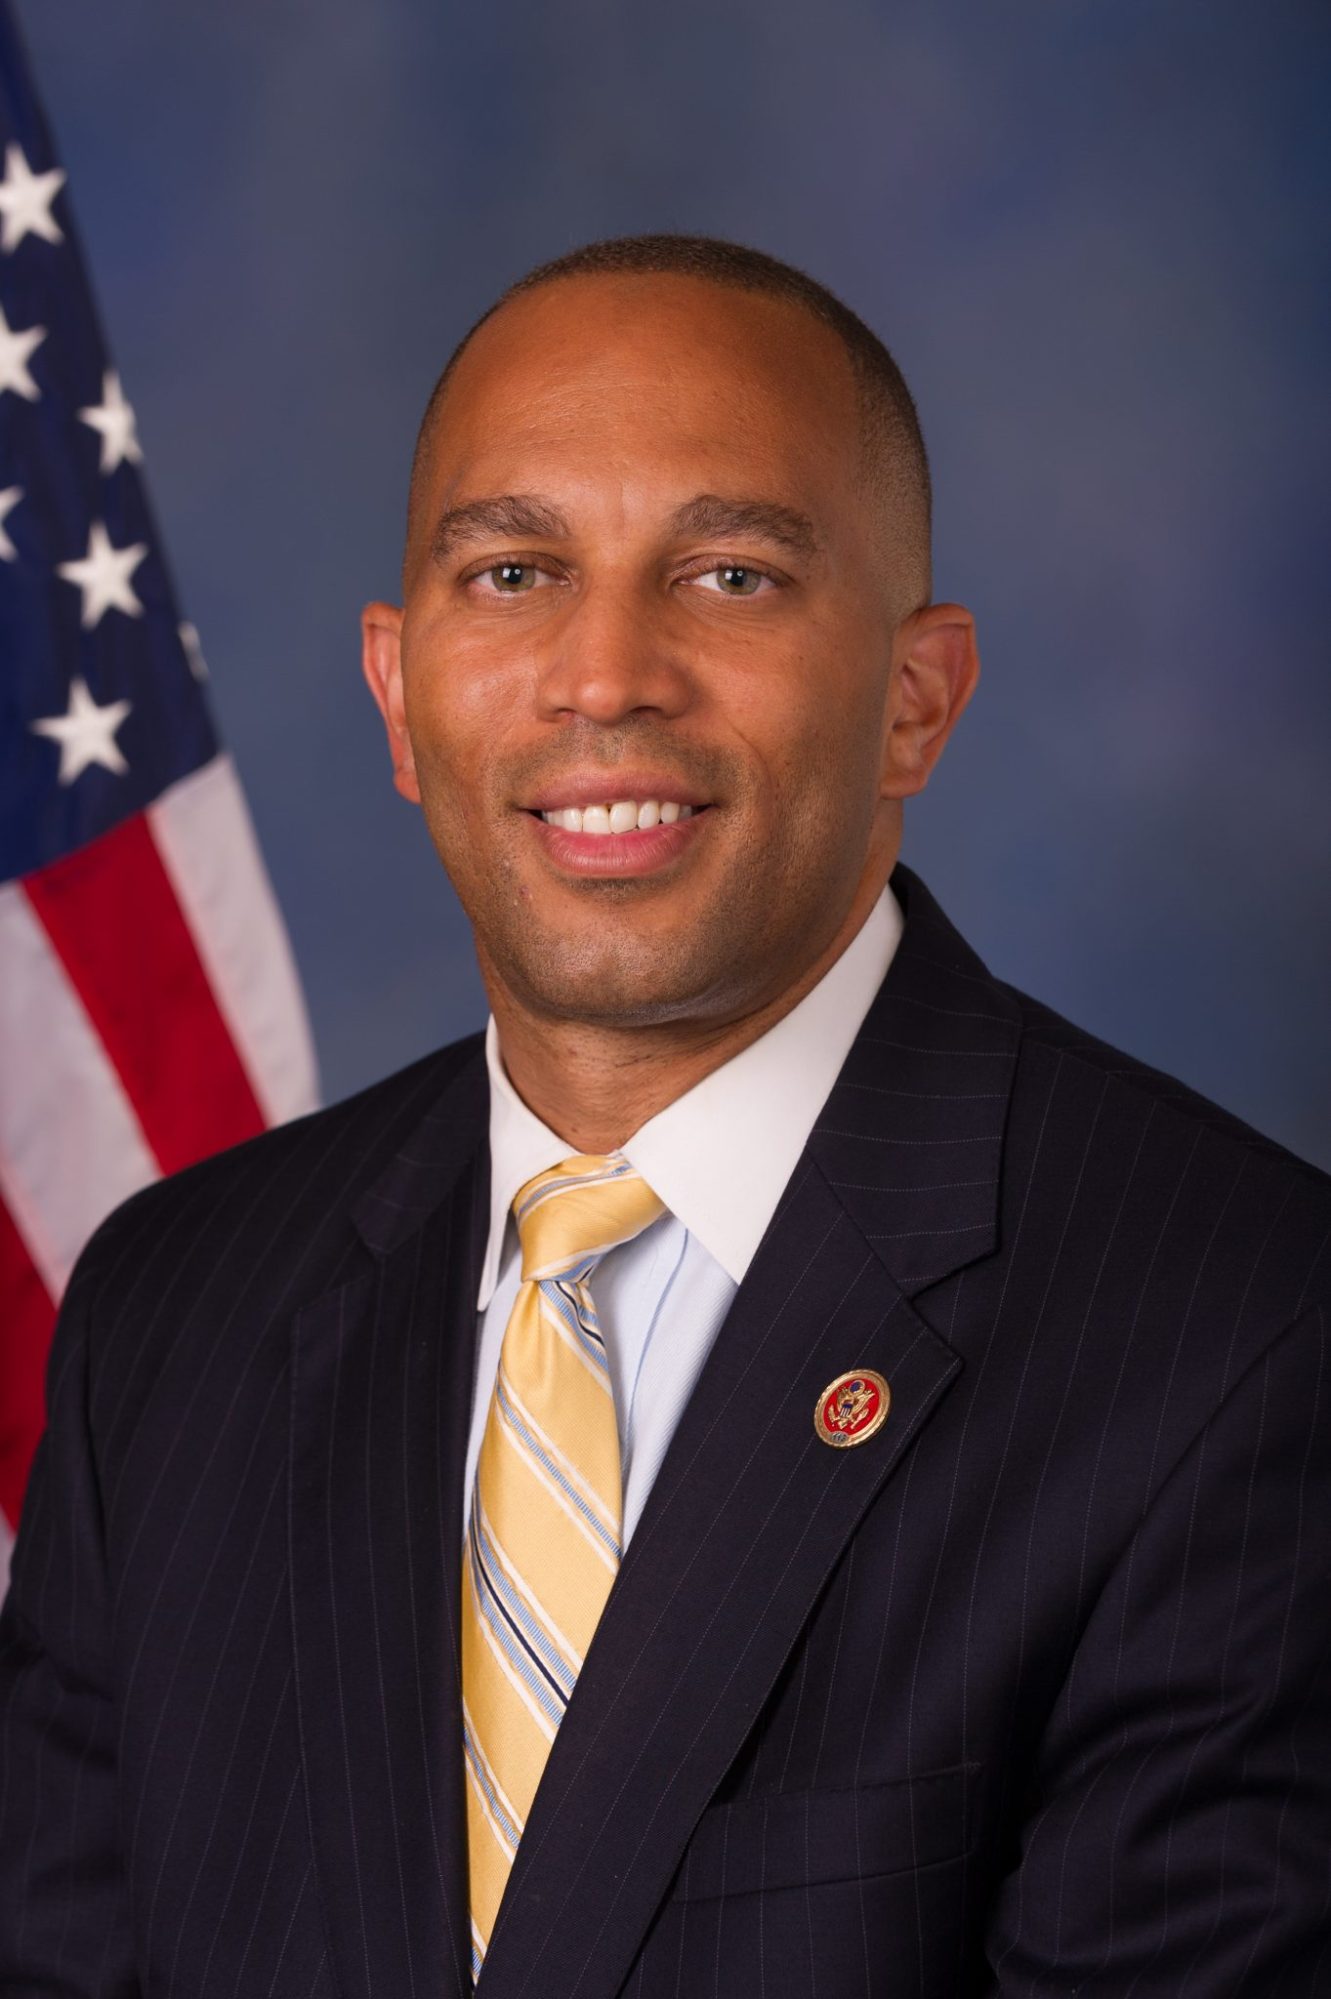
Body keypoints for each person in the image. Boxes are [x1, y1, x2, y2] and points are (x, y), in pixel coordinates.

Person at [1, 233, 1327, 1998]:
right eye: (517, 573)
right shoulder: (174, 1312)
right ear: (400, 698)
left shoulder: (1239, 1336)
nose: (605, 675)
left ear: (917, 699)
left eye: (728, 577)